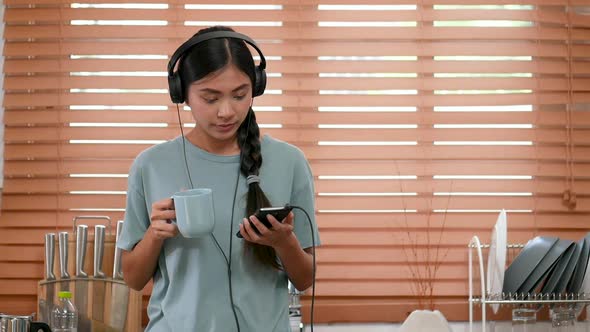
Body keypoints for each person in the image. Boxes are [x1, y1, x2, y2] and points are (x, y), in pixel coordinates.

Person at [116, 25, 320, 331]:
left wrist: (283, 241)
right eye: (210, 98)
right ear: (181, 93)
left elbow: (304, 279)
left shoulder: (289, 162)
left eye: (240, 95)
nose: (227, 111)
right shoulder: (151, 165)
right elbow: (132, 279)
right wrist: (154, 236)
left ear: (257, 87)